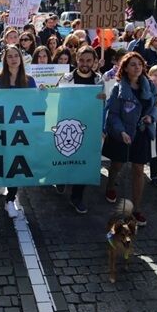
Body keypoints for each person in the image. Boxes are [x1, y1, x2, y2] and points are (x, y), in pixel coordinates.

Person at [102, 52, 157, 226]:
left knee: (139, 170)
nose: (137, 67)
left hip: (141, 133)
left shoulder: (149, 86)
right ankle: (111, 185)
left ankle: (136, 209)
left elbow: (155, 106)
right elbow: (113, 114)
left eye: (140, 64)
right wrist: (120, 132)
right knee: (117, 164)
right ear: (125, 68)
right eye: (133, 64)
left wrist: (151, 117)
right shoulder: (119, 89)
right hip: (123, 134)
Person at [0, 45, 37, 218]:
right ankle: (0, 180)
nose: (13, 59)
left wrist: (42, 94)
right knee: (2, 160)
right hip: (1, 129)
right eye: (10, 56)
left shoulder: (29, 81)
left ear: (21, 59)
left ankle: (10, 199)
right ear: (5, 60)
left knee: (16, 163)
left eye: (16, 56)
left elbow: (36, 105)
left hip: (19, 131)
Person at [57, 46, 103, 213]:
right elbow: (58, 102)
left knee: (84, 163)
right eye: (82, 60)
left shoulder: (99, 81)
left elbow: (103, 107)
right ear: (77, 59)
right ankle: (61, 178)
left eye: (88, 60)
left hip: (89, 128)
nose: (85, 63)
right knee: (65, 158)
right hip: (66, 126)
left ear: (94, 61)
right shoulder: (66, 79)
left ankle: (77, 197)